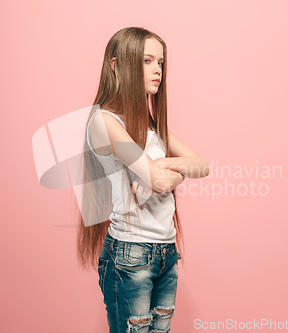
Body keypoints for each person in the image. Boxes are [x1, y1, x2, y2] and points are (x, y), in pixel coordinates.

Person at [77, 27, 209, 333]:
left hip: (166, 251)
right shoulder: (105, 122)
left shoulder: (151, 124)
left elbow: (201, 166)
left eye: (160, 62)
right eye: (147, 61)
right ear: (116, 65)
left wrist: (160, 164)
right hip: (130, 253)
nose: (157, 70)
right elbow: (161, 183)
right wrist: (165, 174)